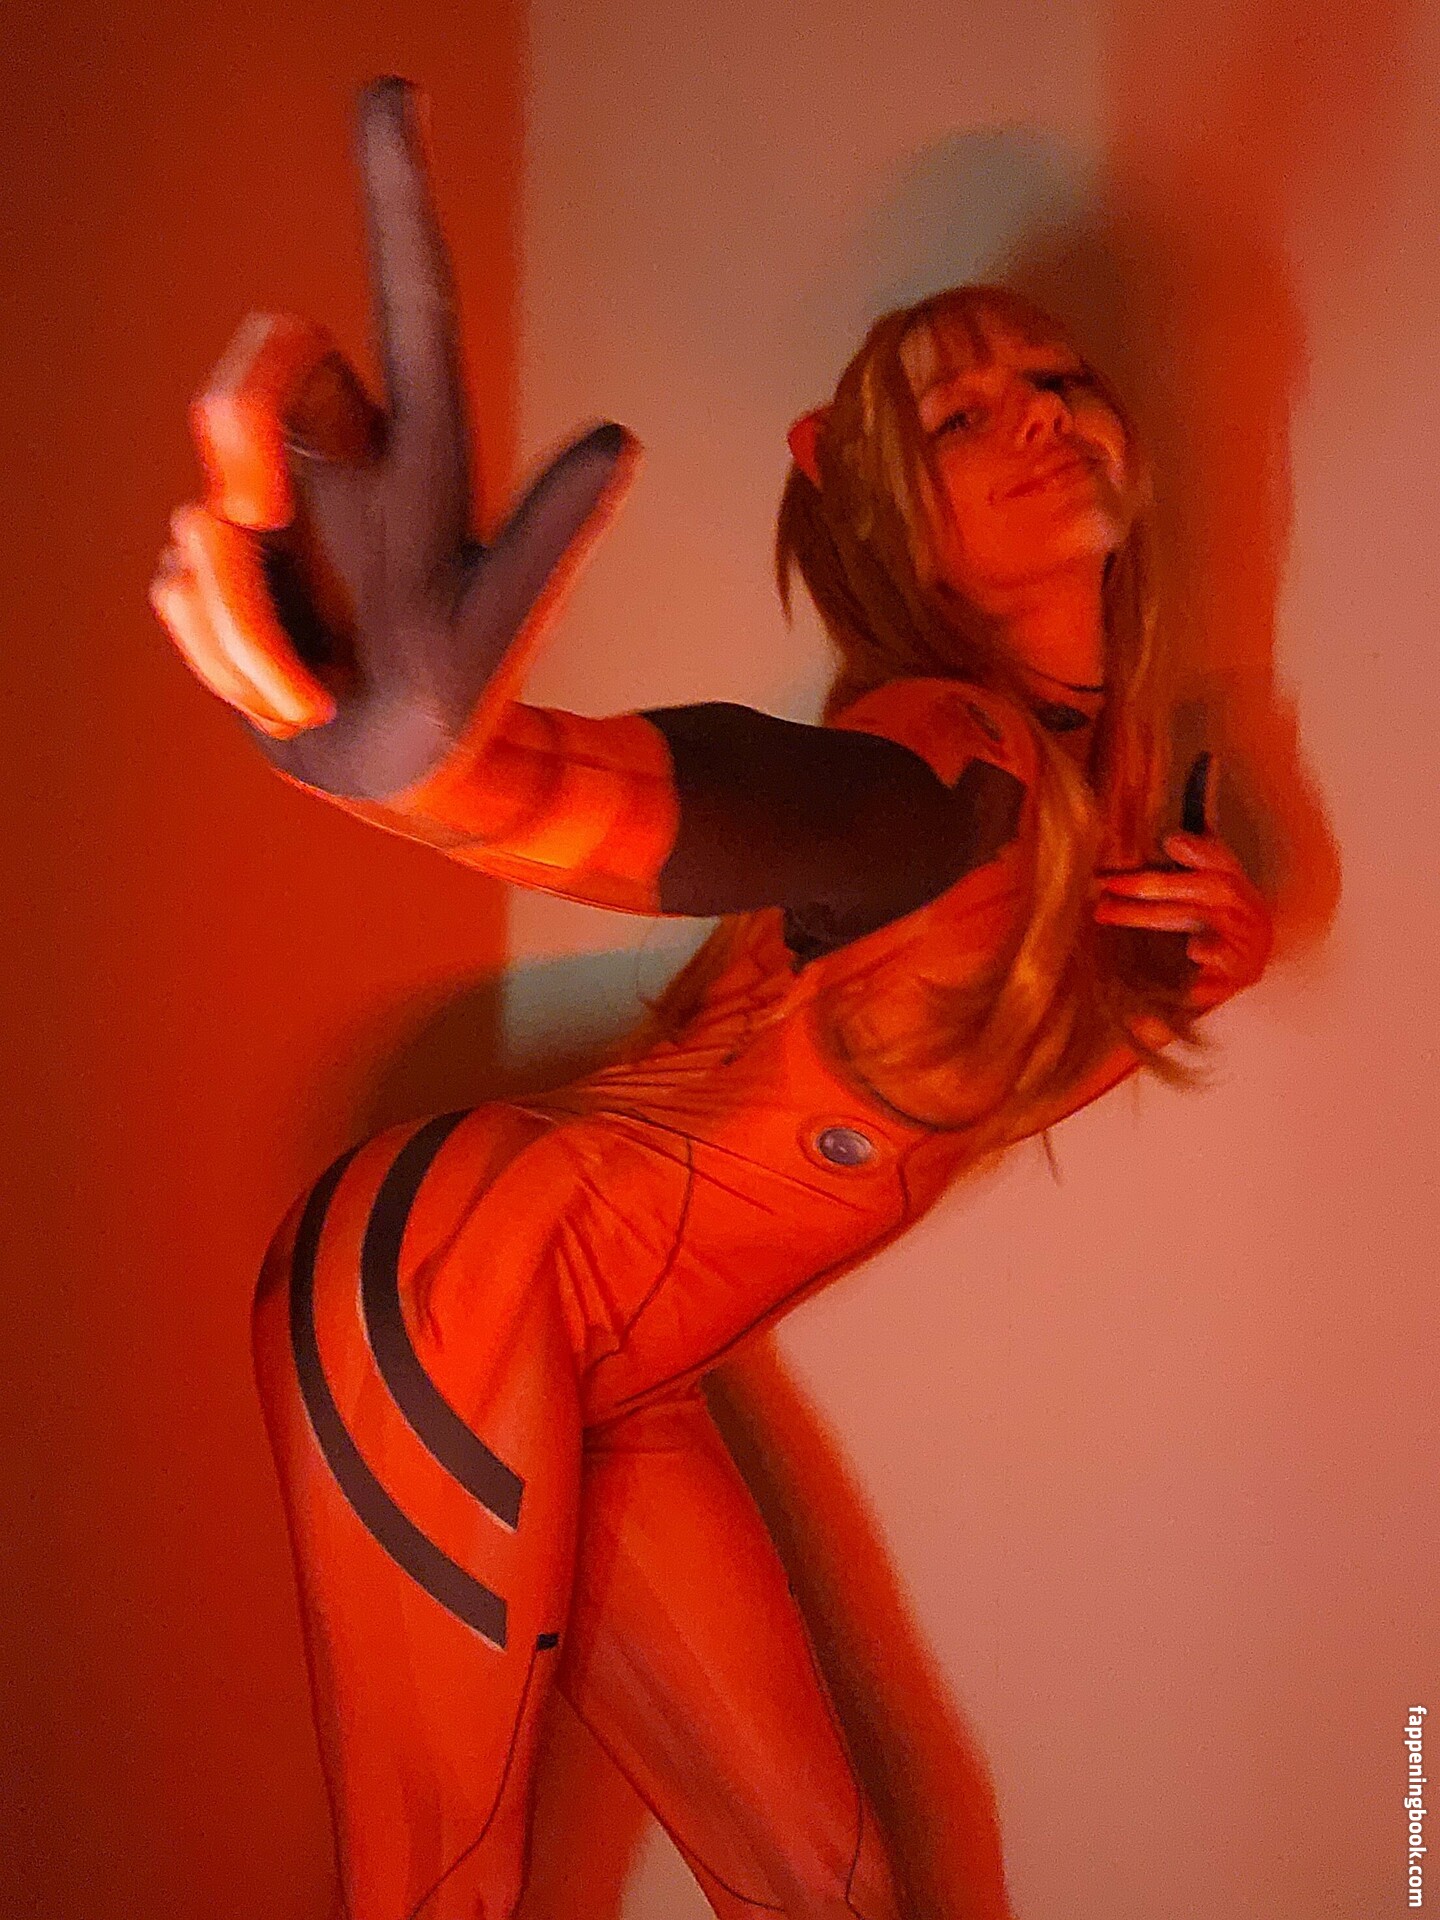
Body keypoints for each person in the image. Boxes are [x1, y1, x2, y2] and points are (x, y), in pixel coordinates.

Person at [148, 77, 1272, 1920]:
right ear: (878, 498)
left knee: (842, 1896)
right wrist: (452, 772)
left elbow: (1013, 1028)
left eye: (1061, 377)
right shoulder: (950, 756)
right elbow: (704, 804)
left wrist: (1232, 945)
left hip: (623, 1362)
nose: (1040, 414)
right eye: (961, 411)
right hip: (468, 1272)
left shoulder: (1111, 799)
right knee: (438, 1894)